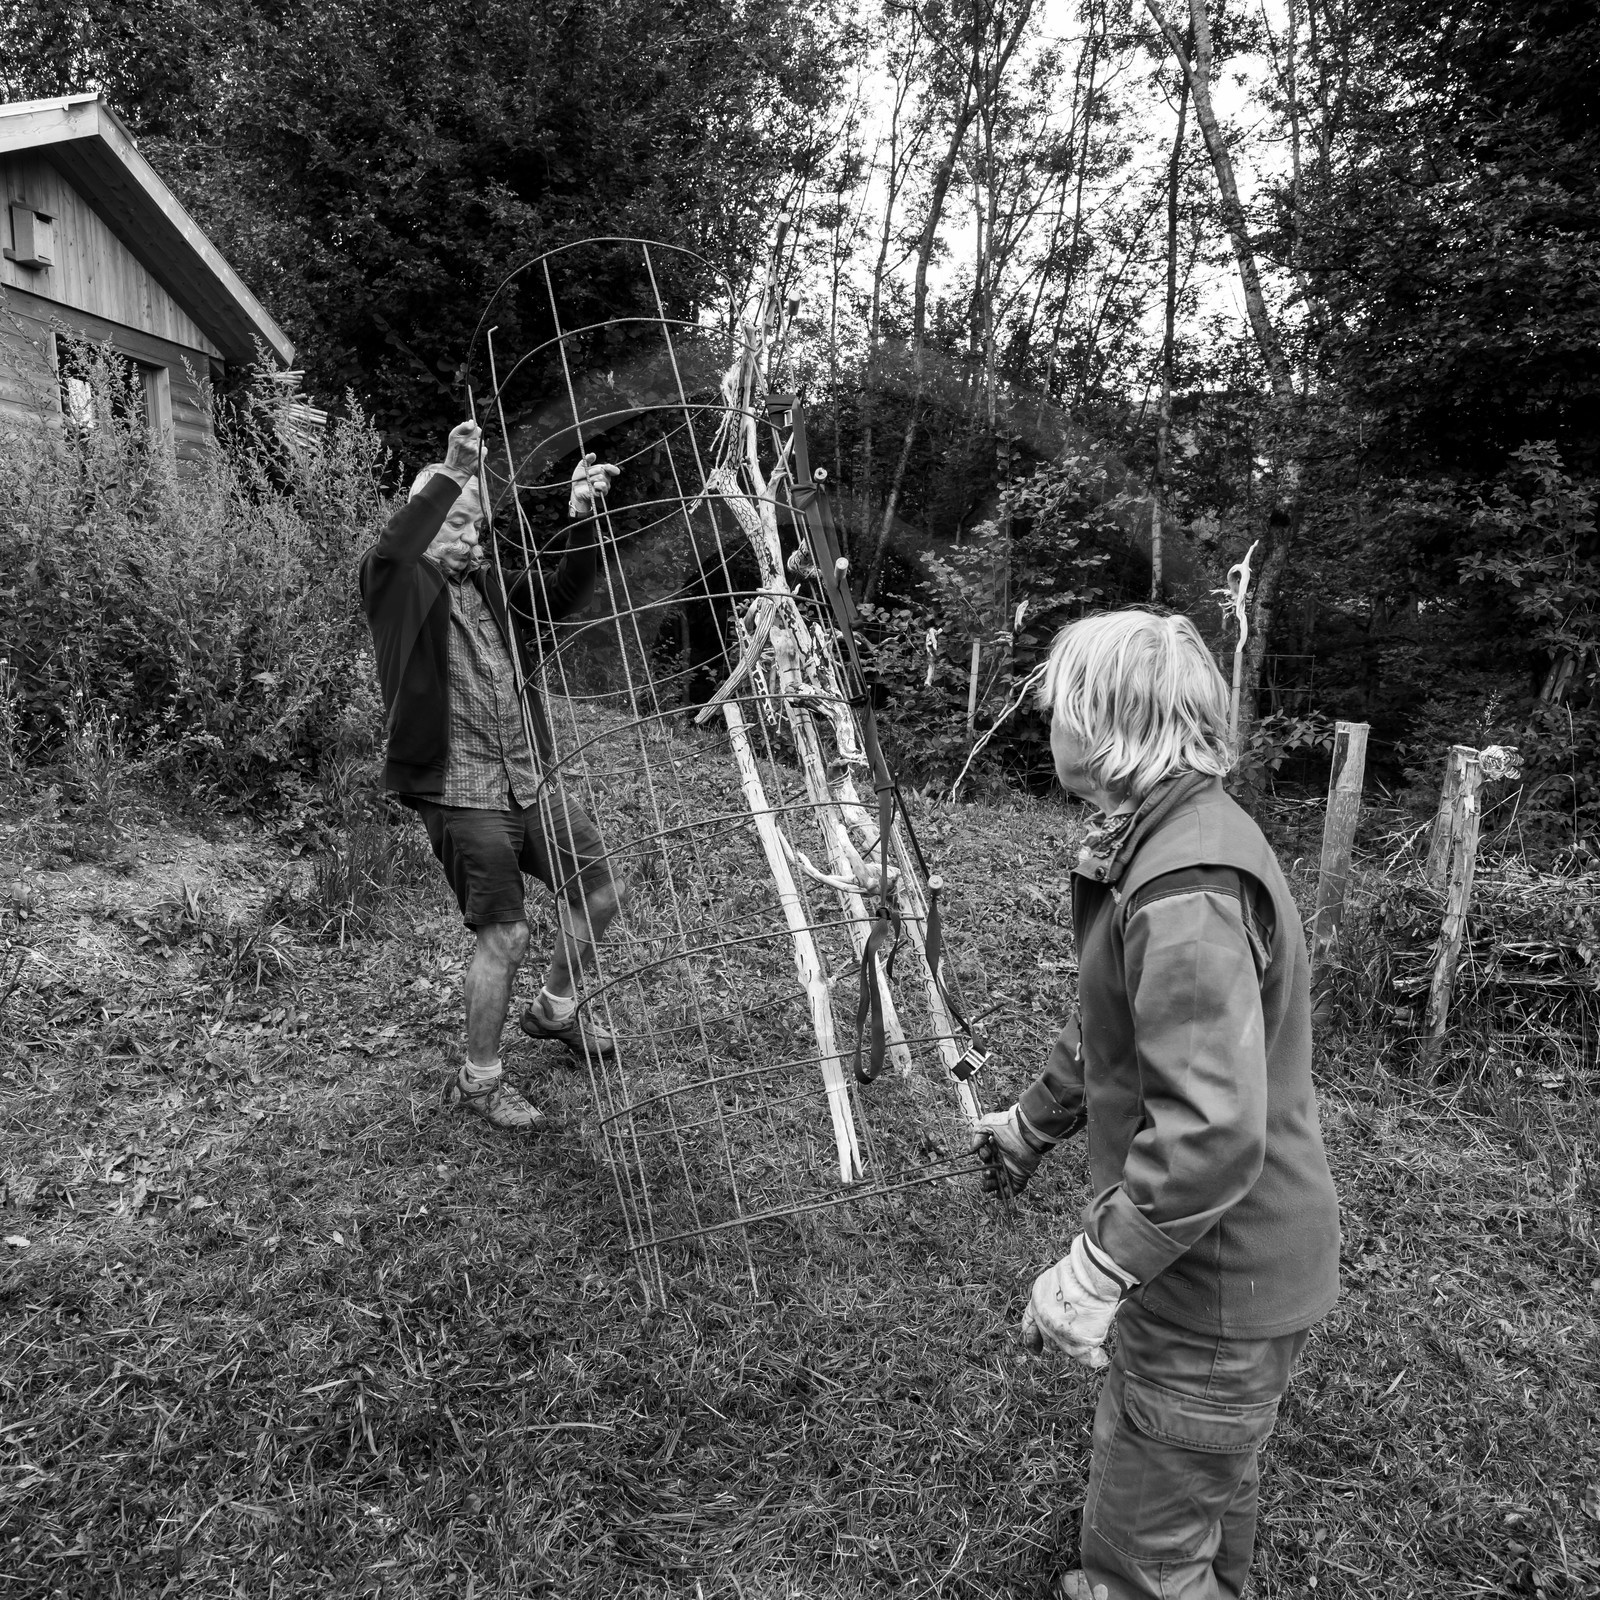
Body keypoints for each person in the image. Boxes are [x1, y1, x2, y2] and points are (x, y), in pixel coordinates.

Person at [973, 609, 1341, 1600]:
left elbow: (1213, 1131)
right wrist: (1031, 1119)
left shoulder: (1187, 881)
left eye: (1055, 707)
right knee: (1204, 1479)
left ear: (1095, 723)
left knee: (1150, 1521)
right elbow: (1119, 1025)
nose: (1044, 722)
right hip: (1222, 1271)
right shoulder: (1162, 836)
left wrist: (1098, 1269)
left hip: (1212, 1278)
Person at [360, 418, 626, 1129]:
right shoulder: (400, 587)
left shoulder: (490, 588)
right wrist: (450, 471)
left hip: (527, 778)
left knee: (597, 893)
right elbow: (394, 548)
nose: (476, 542)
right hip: (459, 789)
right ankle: (479, 1080)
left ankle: (556, 1010)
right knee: (504, 937)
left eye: (481, 529)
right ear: (429, 521)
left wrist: (582, 520)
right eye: (461, 528)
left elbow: (560, 598)